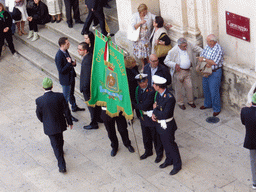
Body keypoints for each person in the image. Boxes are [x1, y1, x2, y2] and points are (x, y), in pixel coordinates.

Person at [35, 77, 73, 173]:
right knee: (60, 139)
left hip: (49, 127)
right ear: (52, 86)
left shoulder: (39, 100)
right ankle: (61, 154)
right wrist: (69, 121)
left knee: (55, 145)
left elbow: (38, 114)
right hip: (60, 124)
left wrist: (44, 121)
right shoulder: (59, 96)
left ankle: (62, 166)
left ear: (43, 87)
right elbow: (66, 110)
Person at [152, 75, 182, 175]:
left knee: (171, 145)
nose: (153, 85)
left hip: (168, 125)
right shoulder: (158, 94)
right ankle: (169, 160)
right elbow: (158, 109)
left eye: (154, 84)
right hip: (160, 124)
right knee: (165, 144)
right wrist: (154, 114)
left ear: (158, 86)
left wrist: (155, 110)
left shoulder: (169, 98)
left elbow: (165, 114)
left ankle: (177, 165)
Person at [164, 37, 203, 110]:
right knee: (178, 89)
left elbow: (198, 49)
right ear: (179, 46)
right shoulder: (173, 51)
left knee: (189, 86)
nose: (185, 47)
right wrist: (174, 65)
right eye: (183, 46)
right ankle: (180, 103)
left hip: (188, 71)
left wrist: (204, 54)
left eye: (186, 45)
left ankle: (190, 101)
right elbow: (166, 61)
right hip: (179, 71)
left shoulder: (189, 45)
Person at [133, 73, 163, 163]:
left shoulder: (151, 90)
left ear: (147, 81)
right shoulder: (138, 89)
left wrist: (132, 104)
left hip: (151, 117)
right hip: (143, 117)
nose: (142, 84)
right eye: (140, 82)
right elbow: (136, 99)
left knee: (155, 137)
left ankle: (159, 153)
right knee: (146, 136)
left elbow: (144, 105)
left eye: (144, 82)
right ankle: (148, 151)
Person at [55, 37, 85, 122]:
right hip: (66, 80)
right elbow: (61, 70)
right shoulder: (58, 55)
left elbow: (68, 62)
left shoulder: (65, 51)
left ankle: (74, 107)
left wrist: (72, 64)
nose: (69, 44)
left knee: (71, 93)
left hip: (71, 77)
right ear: (62, 45)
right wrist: (69, 64)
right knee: (66, 97)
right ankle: (68, 115)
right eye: (67, 43)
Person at [78, 42, 102, 129]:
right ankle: (98, 118)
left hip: (88, 88)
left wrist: (84, 88)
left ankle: (94, 122)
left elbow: (87, 75)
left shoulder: (87, 60)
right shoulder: (89, 57)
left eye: (80, 49)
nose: (78, 51)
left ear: (85, 50)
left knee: (91, 106)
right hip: (91, 86)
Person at [198, 34, 224, 116]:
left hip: (215, 72)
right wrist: (207, 62)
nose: (207, 42)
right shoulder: (207, 47)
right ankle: (207, 104)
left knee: (214, 91)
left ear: (212, 41)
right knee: (206, 88)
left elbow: (214, 62)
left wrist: (205, 60)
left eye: (208, 41)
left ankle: (216, 108)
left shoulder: (218, 49)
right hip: (206, 70)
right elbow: (201, 56)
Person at [131, 4, 155, 68]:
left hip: (146, 38)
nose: (144, 14)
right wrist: (140, 23)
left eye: (145, 12)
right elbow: (134, 27)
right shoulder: (135, 16)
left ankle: (149, 63)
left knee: (147, 51)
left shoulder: (148, 14)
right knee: (140, 53)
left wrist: (164, 23)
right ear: (140, 11)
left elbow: (156, 18)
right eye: (143, 12)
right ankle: (143, 64)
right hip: (138, 38)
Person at [241, 92, 256, 190]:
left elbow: (243, 122)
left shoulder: (245, 111)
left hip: (251, 141)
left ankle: (255, 183)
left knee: (253, 161)